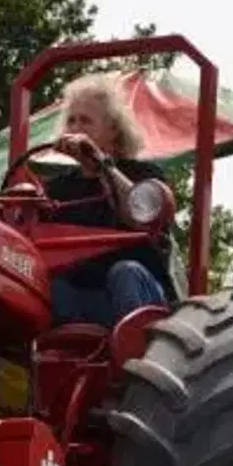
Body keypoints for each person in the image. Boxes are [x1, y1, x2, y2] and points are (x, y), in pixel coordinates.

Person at [41, 74, 179, 327]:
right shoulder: (55, 189)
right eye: (71, 121)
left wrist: (101, 163)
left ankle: (136, 357)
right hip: (84, 303)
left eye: (86, 121)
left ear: (113, 129)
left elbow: (141, 218)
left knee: (124, 273)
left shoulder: (144, 177)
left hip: (142, 299)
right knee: (49, 286)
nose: (75, 129)